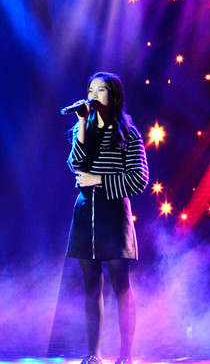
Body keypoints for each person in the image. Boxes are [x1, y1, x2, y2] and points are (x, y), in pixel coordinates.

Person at [66, 71, 149, 364]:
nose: (93, 95)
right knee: (91, 284)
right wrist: (81, 124)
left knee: (120, 283)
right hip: (86, 212)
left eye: (100, 90)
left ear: (114, 96)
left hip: (114, 213)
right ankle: (94, 354)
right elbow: (75, 164)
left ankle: (126, 355)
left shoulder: (129, 134)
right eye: (91, 90)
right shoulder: (83, 129)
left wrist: (98, 180)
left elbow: (139, 179)